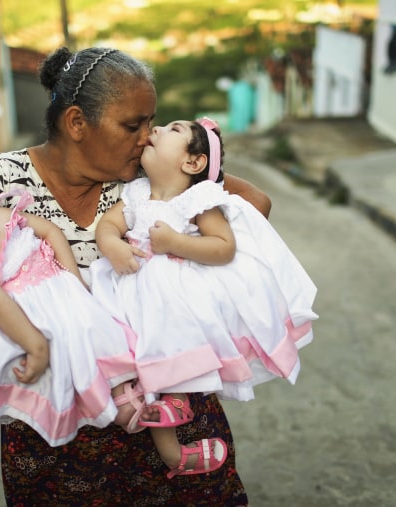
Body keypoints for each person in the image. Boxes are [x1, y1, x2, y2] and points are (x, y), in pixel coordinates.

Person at [0, 46, 271, 505]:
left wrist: (187, 198)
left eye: (151, 122)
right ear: (77, 123)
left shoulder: (144, 176)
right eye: (132, 125)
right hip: (56, 433)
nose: (147, 135)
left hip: (169, 409)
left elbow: (256, 204)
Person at [0, 171, 227, 476]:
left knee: (125, 342)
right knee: (90, 360)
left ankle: (161, 415)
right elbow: (0, 308)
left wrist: (73, 279)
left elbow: (50, 233)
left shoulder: (2, 214)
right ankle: (147, 428)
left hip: (73, 295)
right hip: (48, 319)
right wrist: (36, 346)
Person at [89, 117, 318, 477]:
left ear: (193, 163)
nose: (157, 130)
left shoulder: (197, 199)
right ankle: (163, 441)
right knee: (113, 336)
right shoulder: (134, 192)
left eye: (172, 130)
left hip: (170, 293)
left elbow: (223, 247)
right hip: (129, 285)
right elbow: (108, 224)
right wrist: (111, 244)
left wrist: (177, 244)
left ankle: (174, 415)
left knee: (169, 350)